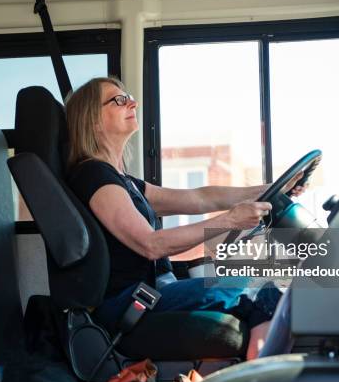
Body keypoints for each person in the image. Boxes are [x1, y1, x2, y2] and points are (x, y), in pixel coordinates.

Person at [65, 77, 306, 360]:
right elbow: (151, 244)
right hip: (131, 301)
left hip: (154, 289)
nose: (133, 103)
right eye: (119, 100)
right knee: (265, 291)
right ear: (92, 120)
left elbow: (201, 198)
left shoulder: (124, 182)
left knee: (266, 294)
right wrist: (230, 221)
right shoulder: (94, 175)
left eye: (128, 97)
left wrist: (269, 191)